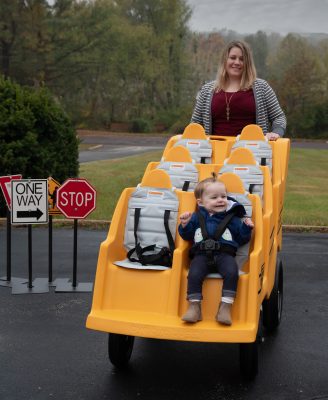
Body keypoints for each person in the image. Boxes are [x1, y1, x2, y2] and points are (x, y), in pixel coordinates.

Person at [178, 174, 254, 325]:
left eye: (224, 196)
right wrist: (185, 225)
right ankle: (194, 307)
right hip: (201, 255)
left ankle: (225, 307)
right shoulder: (195, 217)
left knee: (232, 272)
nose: (221, 200)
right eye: (214, 198)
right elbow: (186, 236)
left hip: (225, 255)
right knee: (194, 274)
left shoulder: (232, 218)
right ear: (201, 202)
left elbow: (241, 239)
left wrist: (246, 227)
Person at [190, 40, 286, 141]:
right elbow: (195, 123)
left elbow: (279, 117)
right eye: (232, 58)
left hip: (253, 152)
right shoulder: (207, 90)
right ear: (225, 60)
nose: (237, 62)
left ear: (247, 63)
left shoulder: (262, 87)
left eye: (242, 59)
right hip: (214, 153)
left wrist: (276, 133)